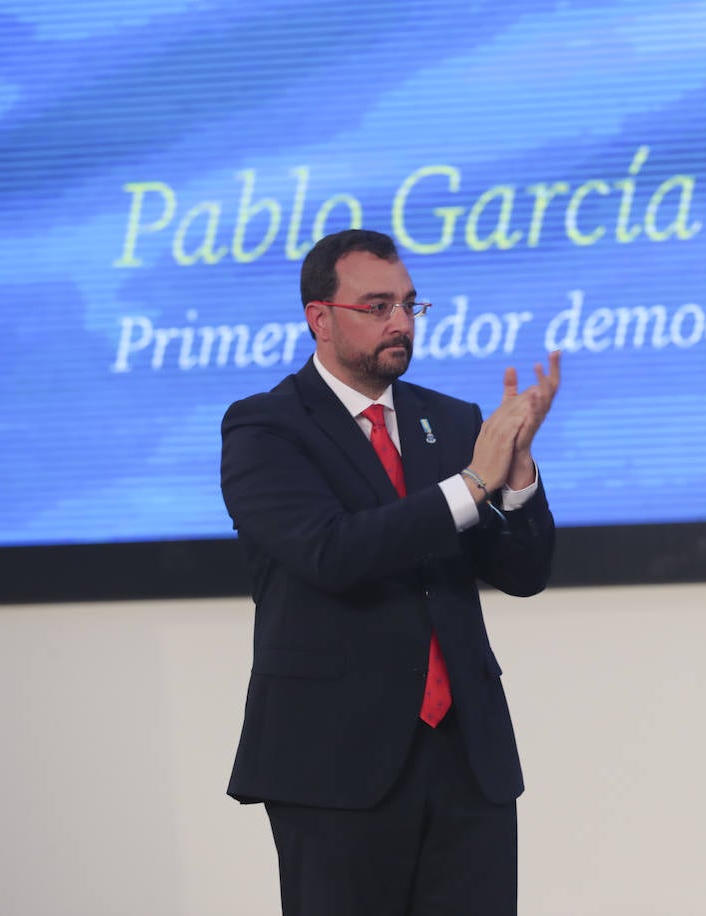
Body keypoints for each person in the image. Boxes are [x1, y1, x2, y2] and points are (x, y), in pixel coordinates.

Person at [220, 228, 560, 916]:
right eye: (377, 306)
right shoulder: (266, 429)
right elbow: (334, 553)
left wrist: (517, 471)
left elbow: (522, 573)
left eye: (409, 305)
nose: (401, 323)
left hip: (466, 759)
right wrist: (471, 485)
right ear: (320, 317)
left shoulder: (451, 418)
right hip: (334, 764)